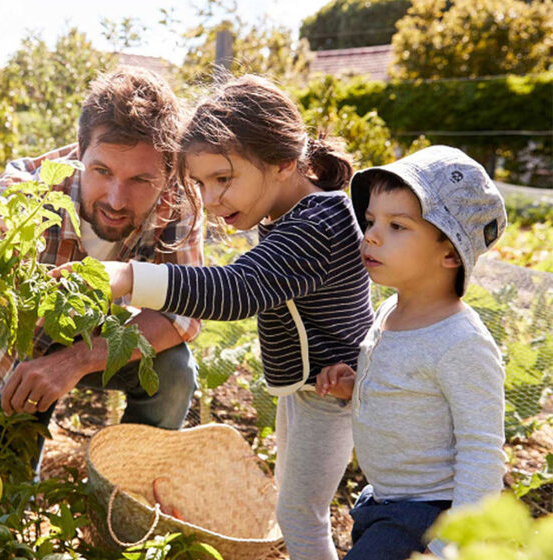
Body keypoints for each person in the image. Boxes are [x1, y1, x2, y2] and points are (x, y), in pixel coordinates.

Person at [59, 75, 375, 560]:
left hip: (332, 394)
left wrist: (125, 276)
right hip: (315, 390)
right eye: (201, 183)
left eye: (223, 179)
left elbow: (234, 291)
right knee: (302, 507)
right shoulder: (293, 216)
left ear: (284, 162)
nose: (209, 199)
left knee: (302, 515)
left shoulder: (317, 225)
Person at [0, 67, 204, 465]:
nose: (116, 198)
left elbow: (181, 313)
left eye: (140, 180)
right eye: (102, 171)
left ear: (167, 172)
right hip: (21, 353)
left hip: (98, 339)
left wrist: (76, 359)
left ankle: (131, 485)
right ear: (80, 152)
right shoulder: (29, 192)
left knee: (174, 370)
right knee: (0, 479)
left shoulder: (177, 201)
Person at [315, 145, 507, 559]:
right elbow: (405, 388)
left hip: (428, 517)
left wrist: (454, 546)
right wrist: (357, 386)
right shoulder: (389, 311)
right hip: (382, 502)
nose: (372, 235)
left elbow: (482, 451)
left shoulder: (461, 343)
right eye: (370, 221)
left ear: (450, 252)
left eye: (397, 226)